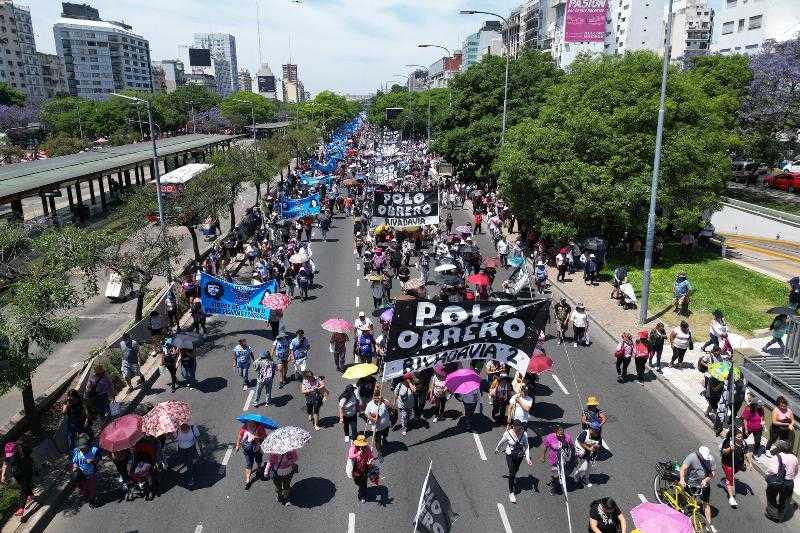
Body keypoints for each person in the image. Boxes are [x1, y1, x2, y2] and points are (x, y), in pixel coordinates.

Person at [495, 420, 531, 503]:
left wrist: (528, 458)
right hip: (510, 454)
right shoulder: (507, 433)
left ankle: (513, 476)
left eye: (520, 428)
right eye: (517, 429)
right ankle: (511, 492)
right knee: (511, 472)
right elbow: (502, 441)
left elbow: (526, 446)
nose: (518, 430)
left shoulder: (524, 434)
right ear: (513, 427)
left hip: (519, 455)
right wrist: (497, 448)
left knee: (516, 469)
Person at [679, 446, 716, 528]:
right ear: (699, 454)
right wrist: (682, 479)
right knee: (688, 500)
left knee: (706, 503)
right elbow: (683, 468)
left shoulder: (711, 459)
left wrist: (707, 479)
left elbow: (713, 473)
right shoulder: (692, 457)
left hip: (704, 484)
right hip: (691, 483)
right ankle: (683, 516)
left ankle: (709, 525)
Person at [765, 440, 798, 522]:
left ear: (780, 448)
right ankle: (781, 515)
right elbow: (796, 471)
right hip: (789, 482)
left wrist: (767, 473)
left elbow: (773, 471)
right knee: (785, 500)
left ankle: (773, 513)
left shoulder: (777, 457)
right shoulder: (794, 457)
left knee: (771, 495)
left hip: (778, 482)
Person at [2, 439, 34, 517]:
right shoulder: (8, 453)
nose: (10, 456)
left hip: (27, 468)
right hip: (17, 471)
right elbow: (5, 464)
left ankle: (21, 508)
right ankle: (30, 495)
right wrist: (3, 475)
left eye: (12, 454)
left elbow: (31, 454)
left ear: (16, 449)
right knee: (24, 486)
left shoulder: (23, 447)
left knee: (24, 487)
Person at [720, 428, 750, 508]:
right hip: (728, 464)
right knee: (730, 480)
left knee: (731, 475)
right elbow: (723, 451)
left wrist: (750, 463)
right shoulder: (728, 442)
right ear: (734, 437)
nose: (741, 438)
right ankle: (731, 497)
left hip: (738, 465)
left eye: (741, 437)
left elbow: (746, 452)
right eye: (738, 437)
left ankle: (725, 481)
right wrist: (730, 449)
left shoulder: (743, 443)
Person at [234, 421, 267, 490]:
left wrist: (256, 438)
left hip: (257, 449)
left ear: (255, 423)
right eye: (248, 422)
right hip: (248, 450)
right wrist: (237, 445)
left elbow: (264, 437)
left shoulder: (260, 427)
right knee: (249, 464)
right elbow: (240, 436)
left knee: (258, 460)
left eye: (251, 423)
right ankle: (248, 479)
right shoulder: (244, 427)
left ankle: (259, 468)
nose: (249, 424)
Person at [541, 426, 572, 495]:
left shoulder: (567, 437)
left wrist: (574, 457)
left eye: (562, 434)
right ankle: (554, 488)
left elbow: (571, 446)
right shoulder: (549, 437)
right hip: (554, 460)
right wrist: (543, 456)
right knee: (556, 475)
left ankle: (554, 483)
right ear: (555, 432)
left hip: (564, 461)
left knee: (561, 475)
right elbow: (545, 447)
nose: (561, 436)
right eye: (559, 434)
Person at [71, 434, 99, 507]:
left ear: (88, 446)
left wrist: (92, 460)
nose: (82, 450)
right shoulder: (76, 452)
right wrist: (75, 467)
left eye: (84, 448)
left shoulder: (93, 450)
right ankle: (86, 496)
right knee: (83, 489)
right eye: (80, 448)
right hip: (81, 476)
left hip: (92, 475)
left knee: (92, 489)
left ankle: (92, 501)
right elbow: (74, 462)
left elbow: (98, 460)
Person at [346, 435, 375, 504]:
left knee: (363, 483)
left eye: (363, 445)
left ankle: (362, 496)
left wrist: (370, 460)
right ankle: (361, 488)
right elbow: (350, 455)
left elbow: (371, 456)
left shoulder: (367, 448)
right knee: (357, 482)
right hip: (355, 467)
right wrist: (357, 454)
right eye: (360, 445)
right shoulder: (353, 447)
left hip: (364, 467)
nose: (361, 447)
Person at [365, 392, 391, 461]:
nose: (376, 399)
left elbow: (391, 406)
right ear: (373, 398)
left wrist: (383, 401)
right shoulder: (370, 405)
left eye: (377, 397)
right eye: (374, 398)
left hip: (386, 425)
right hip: (376, 428)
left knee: (385, 434)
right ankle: (379, 453)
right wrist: (372, 418)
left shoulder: (383, 401)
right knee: (377, 441)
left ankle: (384, 439)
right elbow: (367, 414)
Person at [574, 422, 602, 488]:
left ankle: (586, 478)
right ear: (590, 428)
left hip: (589, 450)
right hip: (581, 448)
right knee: (584, 467)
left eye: (597, 430)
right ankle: (577, 474)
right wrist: (589, 448)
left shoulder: (598, 436)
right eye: (594, 430)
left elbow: (599, 445)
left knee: (589, 467)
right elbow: (581, 442)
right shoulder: (585, 433)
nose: (595, 431)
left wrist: (596, 447)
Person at [62, 389, 88, 454]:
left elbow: (86, 409)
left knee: (82, 435)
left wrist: (87, 419)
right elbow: (64, 412)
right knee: (71, 437)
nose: (73, 400)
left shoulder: (80, 400)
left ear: (76, 397)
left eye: (74, 398)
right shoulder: (67, 402)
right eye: (70, 397)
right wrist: (68, 404)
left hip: (80, 420)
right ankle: (72, 451)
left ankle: (85, 448)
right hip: (71, 421)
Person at [740, 393, 765, 457]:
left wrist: (762, 422)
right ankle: (739, 446)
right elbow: (745, 419)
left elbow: (762, 415)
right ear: (754, 404)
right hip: (749, 428)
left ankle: (755, 453)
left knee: (757, 441)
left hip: (758, 428)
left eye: (761, 405)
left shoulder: (761, 409)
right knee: (744, 437)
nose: (760, 406)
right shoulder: (748, 409)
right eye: (759, 405)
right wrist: (745, 429)